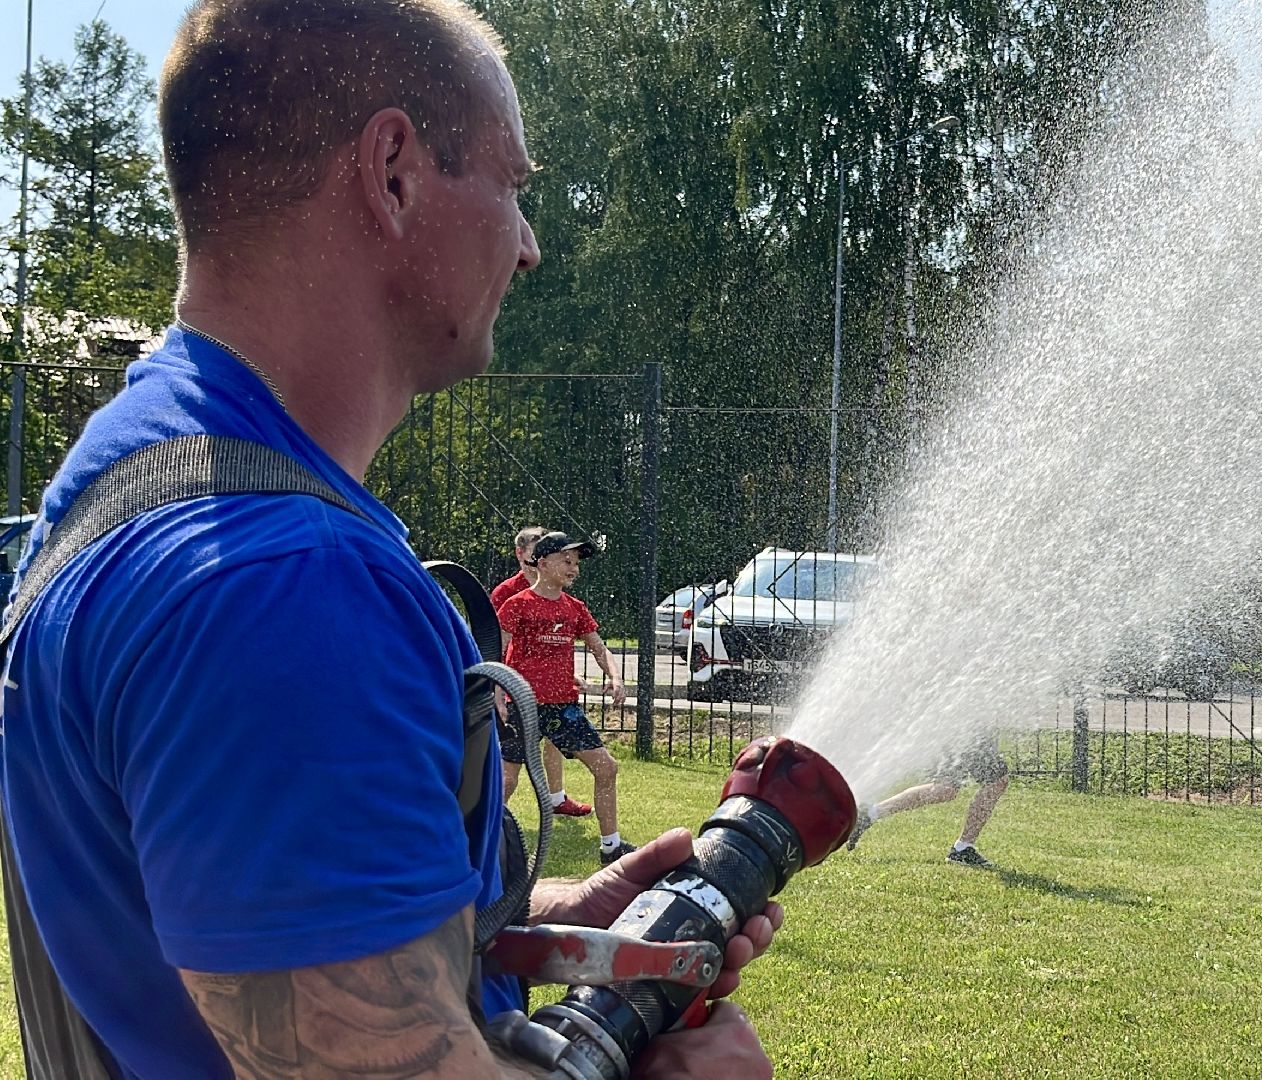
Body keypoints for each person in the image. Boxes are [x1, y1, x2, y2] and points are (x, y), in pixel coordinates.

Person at [0, 2, 774, 1074]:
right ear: (396, 172)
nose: (531, 246)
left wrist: (530, 912)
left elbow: (204, 902)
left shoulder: (131, 472)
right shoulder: (278, 588)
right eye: (515, 185)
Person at [498, 531, 634, 865]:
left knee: (606, 768)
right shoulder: (517, 605)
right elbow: (496, 650)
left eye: (576, 563)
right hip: (521, 704)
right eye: (566, 560)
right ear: (542, 564)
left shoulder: (574, 609)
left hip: (562, 708)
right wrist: (497, 692)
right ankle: (480, 840)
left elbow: (599, 647)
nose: (574, 568)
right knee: (505, 780)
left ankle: (611, 847)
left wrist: (614, 677)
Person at [491, 523, 592, 819]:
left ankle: (555, 797)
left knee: (555, 737)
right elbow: (501, 641)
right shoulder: (509, 594)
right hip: (519, 686)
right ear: (522, 554)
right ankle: (491, 818)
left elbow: (555, 638)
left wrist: (558, 671)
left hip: (549, 687)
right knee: (512, 763)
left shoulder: (557, 589)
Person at [844, 729, 1011, 868]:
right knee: (996, 781)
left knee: (944, 790)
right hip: (968, 730)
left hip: (966, 729)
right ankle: (962, 849)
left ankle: (869, 813)